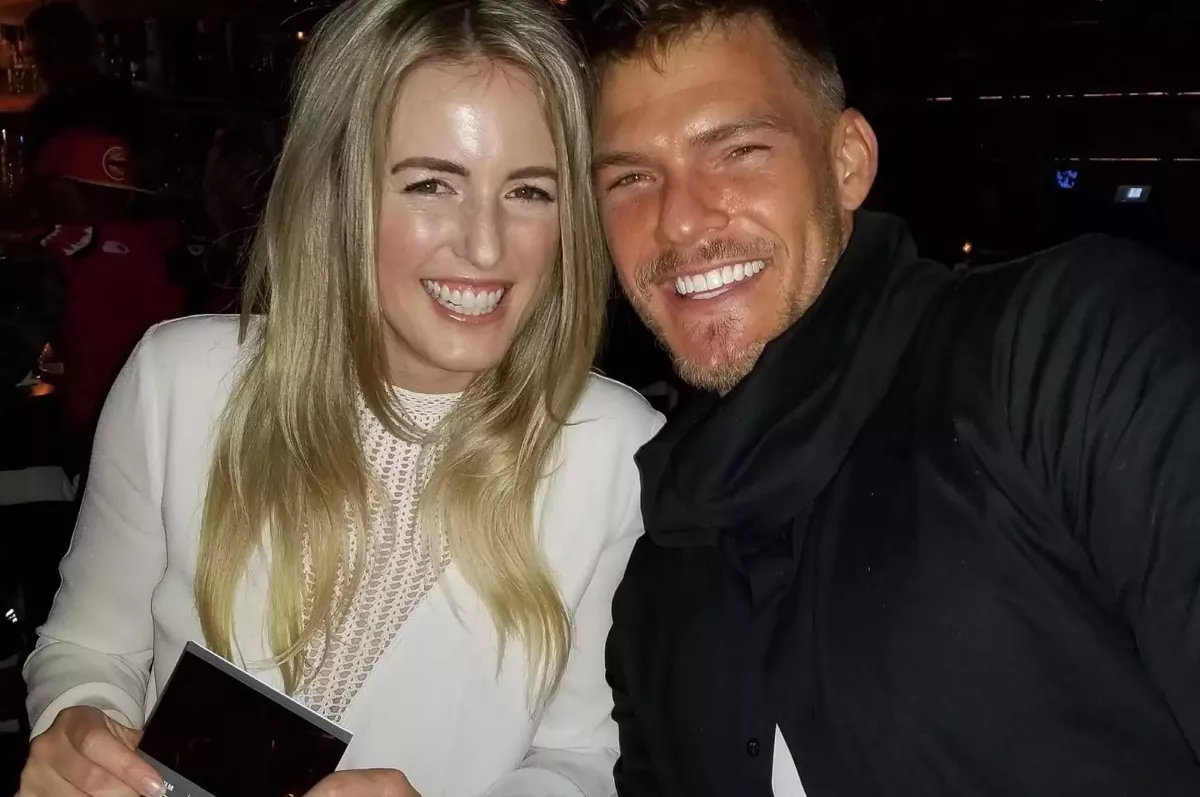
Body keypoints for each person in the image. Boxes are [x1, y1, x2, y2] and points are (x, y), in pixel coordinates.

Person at [19, 2, 660, 797]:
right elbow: (89, 647)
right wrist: (79, 724)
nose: (487, 245)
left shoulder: (616, 448)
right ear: (336, 191)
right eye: (431, 184)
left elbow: (587, 755)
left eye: (530, 191)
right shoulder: (179, 384)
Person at [581, 1, 1200, 795]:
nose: (678, 221)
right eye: (631, 178)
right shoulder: (654, 587)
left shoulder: (1068, 355)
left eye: (737, 150)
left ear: (848, 162)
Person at [27, 128, 185, 475]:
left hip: (87, 433)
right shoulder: (162, 247)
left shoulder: (53, 253)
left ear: (60, 192)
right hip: (154, 427)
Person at [22, 3, 158, 168]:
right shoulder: (42, 115)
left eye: (50, 53)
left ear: (80, 50)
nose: (42, 66)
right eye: (37, 56)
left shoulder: (128, 107)